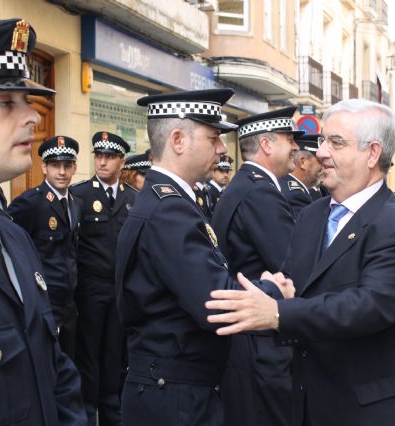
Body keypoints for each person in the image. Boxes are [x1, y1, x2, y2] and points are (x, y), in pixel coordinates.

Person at [206, 99, 395, 426]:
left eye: (335, 143)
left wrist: (278, 312)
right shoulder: (312, 215)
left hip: (385, 409)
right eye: (323, 140)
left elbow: (369, 306)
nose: (320, 152)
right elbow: (296, 283)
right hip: (320, 401)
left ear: (372, 153)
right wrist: (270, 290)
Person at [115, 88, 291, 426]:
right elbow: (214, 304)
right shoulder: (169, 211)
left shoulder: (169, 202)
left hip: (174, 386)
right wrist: (273, 292)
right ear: (178, 140)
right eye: (214, 138)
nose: (223, 149)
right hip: (176, 396)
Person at [0, 18, 87, 424]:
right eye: (6, 102)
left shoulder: (15, 240)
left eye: (28, 100)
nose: (33, 117)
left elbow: (56, 374)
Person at [211, 106, 301, 426]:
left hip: (249, 341)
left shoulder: (245, 185)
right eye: (289, 139)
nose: (296, 147)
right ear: (266, 144)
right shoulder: (260, 191)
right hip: (264, 342)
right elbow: (293, 267)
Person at [71, 131, 137, 426]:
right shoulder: (80, 195)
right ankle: (87, 414)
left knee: (114, 356)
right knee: (88, 356)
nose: (102, 162)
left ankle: (112, 414)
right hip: (90, 288)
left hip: (119, 290)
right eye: (98, 156)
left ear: (121, 161)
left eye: (109, 157)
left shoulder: (132, 198)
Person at [8, 135, 83, 357]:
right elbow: (10, 245)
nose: (61, 172)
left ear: (75, 167)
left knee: (68, 360)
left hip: (69, 301)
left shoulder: (76, 203)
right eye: (55, 165)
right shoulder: (31, 202)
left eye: (67, 165)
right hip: (44, 300)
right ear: (43, 167)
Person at [279, 133, 322, 218]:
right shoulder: (296, 195)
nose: (323, 167)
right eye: (320, 161)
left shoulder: (286, 185)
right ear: (302, 162)